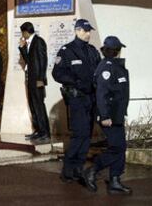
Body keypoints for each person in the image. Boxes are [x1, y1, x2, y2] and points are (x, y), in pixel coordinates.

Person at [52, 18, 101, 183]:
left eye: (89, 31)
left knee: (87, 135)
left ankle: (78, 168)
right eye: (85, 31)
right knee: (79, 134)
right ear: (77, 30)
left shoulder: (93, 51)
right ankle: (68, 169)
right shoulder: (67, 50)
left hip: (91, 98)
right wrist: (75, 81)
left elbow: (99, 70)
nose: (88, 34)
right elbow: (57, 74)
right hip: (77, 97)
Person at [83, 36, 132, 195]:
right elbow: (102, 93)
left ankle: (115, 181)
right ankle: (92, 170)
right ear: (117, 51)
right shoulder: (106, 67)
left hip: (116, 114)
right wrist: (104, 116)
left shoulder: (115, 66)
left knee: (120, 147)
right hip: (109, 115)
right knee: (117, 147)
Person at [18, 22, 50, 141]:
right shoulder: (29, 43)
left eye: (22, 32)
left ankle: (45, 132)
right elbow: (28, 61)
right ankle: (38, 130)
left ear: (26, 32)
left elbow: (43, 61)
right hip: (30, 79)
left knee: (39, 106)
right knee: (33, 106)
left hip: (37, 80)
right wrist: (22, 48)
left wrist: (41, 79)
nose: (22, 35)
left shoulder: (39, 41)